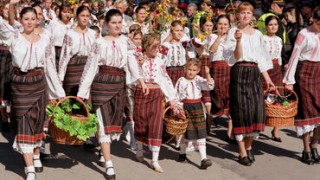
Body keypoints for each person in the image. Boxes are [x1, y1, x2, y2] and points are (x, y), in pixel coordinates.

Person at [77, 9, 148, 179]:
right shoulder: (99, 42)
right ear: (106, 24)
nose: (117, 25)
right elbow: (91, 67)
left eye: (119, 22)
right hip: (101, 84)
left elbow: (132, 62)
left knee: (113, 122)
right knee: (102, 124)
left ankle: (104, 151)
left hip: (118, 84)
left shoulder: (126, 41)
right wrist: (82, 92)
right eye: (113, 22)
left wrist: (141, 80)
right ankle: (109, 165)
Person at [2, 1, 65, 179]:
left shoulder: (45, 39)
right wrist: (11, 5)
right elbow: (5, 23)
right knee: (23, 121)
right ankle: (29, 166)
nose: (29, 22)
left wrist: (58, 92)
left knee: (37, 121)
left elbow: (49, 66)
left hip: (38, 82)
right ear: (21, 20)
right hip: (20, 83)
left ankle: (36, 153)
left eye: (33, 18)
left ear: (38, 20)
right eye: (26, 19)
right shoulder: (14, 36)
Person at [223, 2, 275, 166]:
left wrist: (268, 79)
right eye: (242, 12)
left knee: (257, 111)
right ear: (237, 15)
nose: (245, 15)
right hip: (240, 71)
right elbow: (236, 57)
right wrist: (238, 41)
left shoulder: (258, 34)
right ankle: (242, 152)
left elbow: (261, 58)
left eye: (248, 13)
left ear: (252, 15)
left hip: (254, 72)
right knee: (241, 111)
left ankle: (249, 145)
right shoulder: (233, 31)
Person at [134, 32, 178, 173]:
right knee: (141, 122)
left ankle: (154, 160)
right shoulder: (138, 58)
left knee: (156, 125)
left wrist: (171, 98)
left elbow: (165, 79)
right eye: (153, 46)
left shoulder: (160, 61)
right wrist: (140, 63)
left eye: (158, 46)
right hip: (141, 93)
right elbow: (133, 75)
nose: (156, 49)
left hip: (156, 94)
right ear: (146, 46)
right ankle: (139, 150)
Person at [283, 6, 320, 165]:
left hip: (319, 72)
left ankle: (314, 145)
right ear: (314, 19)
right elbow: (294, 56)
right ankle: (306, 149)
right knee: (306, 112)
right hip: (304, 73)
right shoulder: (303, 34)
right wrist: (289, 81)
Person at [176, 58, 214, 169]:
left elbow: (210, 86)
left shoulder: (198, 79)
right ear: (185, 69)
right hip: (185, 107)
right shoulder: (181, 81)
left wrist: (207, 74)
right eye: (189, 69)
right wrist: (179, 110)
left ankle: (203, 159)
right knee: (185, 133)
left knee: (201, 133)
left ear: (197, 71)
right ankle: (182, 154)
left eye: (194, 70)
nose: (191, 72)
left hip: (197, 107)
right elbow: (176, 96)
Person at [58, 5, 96, 96]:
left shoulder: (93, 34)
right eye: (82, 15)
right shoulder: (70, 34)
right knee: (72, 99)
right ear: (77, 16)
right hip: (73, 70)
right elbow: (64, 56)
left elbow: (97, 54)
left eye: (87, 16)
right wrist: (60, 77)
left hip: (88, 69)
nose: (85, 18)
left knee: (87, 101)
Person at [208, 15, 232, 141]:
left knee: (230, 99)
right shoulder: (211, 36)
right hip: (216, 69)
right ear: (216, 25)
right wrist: (218, 37)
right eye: (220, 24)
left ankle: (230, 132)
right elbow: (212, 51)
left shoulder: (232, 38)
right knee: (216, 97)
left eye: (225, 24)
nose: (223, 26)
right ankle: (208, 124)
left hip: (229, 69)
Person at [262, 16, 284, 142]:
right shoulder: (262, 38)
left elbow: (280, 56)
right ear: (266, 26)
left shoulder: (279, 39)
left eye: (275, 24)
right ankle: (260, 125)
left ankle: (276, 129)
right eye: (270, 24)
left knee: (278, 97)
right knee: (264, 97)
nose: (273, 26)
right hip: (265, 68)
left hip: (276, 68)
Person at [46, 3, 72, 70]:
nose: (67, 14)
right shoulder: (53, 23)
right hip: (56, 53)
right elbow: (47, 38)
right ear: (60, 12)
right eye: (64, 12)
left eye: (69, 12)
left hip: (69, 55)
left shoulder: (72, 25)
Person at [0, 0, 13, 133]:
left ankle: (12, 116)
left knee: (11, 87)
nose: (8, 11)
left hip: (15, 56)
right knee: (2, 87)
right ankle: (4, 119)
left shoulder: (16, 24)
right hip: (3, 54)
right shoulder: (1, 23)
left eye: (10, 9)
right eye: (5, 9)